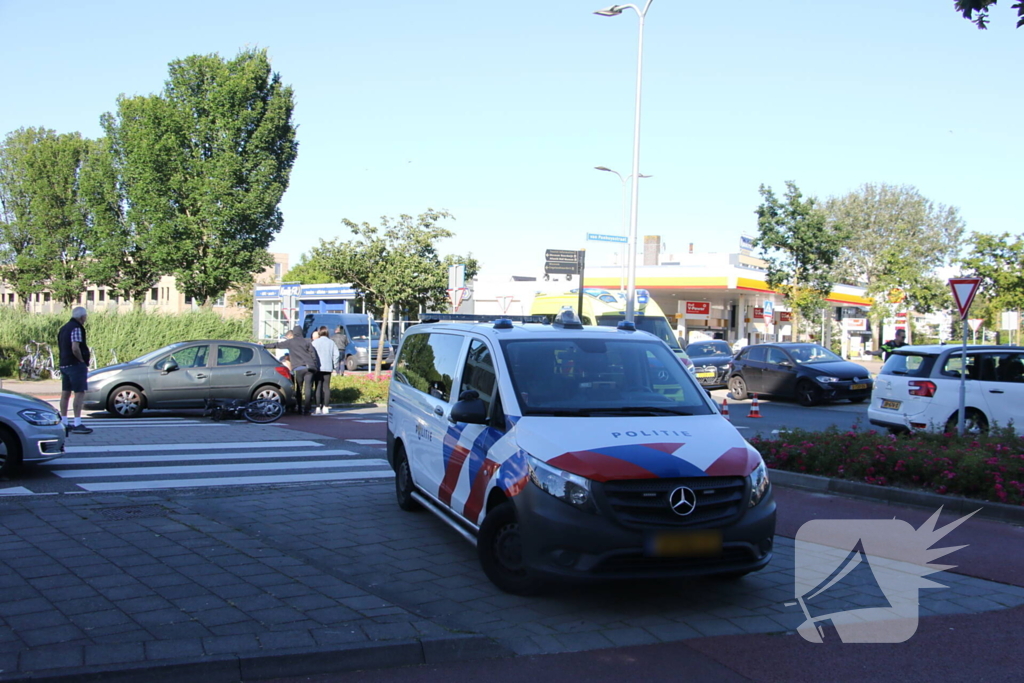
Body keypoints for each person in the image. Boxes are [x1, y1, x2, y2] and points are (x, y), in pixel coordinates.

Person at [263, 326, 320, 414]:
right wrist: (315, 366)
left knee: (299, 388)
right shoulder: (307, 341)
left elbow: (277, 345)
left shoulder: (290, 342)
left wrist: (264, 346)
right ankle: (307, 409)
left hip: (298, 368)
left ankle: (299, 407)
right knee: (308, 388)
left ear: (294, 333)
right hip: (309, 367)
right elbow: (313, 354)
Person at [57, 307, 93, 435]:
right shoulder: (76, 328)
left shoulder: (63, 328)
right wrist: (82, 361)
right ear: (81, 317)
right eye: (85, 316)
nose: (85, 319)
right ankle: (77, 422)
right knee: (79, 392)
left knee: (65, 393)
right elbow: (75, 347)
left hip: (64, 364)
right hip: (75, 364)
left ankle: (64, 421)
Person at [312, 325, 341, 414]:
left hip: (317, 367)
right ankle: (325, 406)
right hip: (328, 367)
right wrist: (334, 364)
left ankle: (317, 407)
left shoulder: (315, 343)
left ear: (319, 332)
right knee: (326, 387)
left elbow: (311, 355)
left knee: (318, 387)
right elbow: (336, 355)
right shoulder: (331, 342)